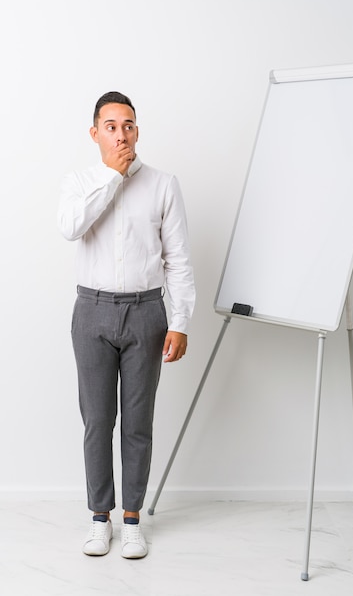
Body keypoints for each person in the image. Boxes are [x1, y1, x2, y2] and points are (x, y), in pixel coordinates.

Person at [57, 91, 195, 558]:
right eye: (112, 126)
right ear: (95, 133)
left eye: (129, 125)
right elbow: (71, 226)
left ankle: (132, 520)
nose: (122, 134)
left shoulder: (162, 184)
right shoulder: (79, 182)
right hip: (91, 310)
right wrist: (112, 179)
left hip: (146, 312)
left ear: (138, 130)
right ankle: (101, 519)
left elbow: (178, 259)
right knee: (98, 421)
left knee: (138, 423)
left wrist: (180, 321)